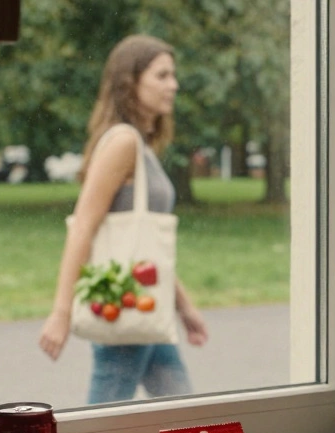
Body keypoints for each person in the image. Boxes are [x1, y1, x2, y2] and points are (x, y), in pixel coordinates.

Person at [39, 34, 208, 403]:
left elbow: (145, 247)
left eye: (173, 75)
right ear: (130, 81)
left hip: (143, 306)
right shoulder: (123, 143)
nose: (173, 85)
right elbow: (83, 224)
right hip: (126, 309)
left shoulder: (141, 146)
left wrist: (183, 305)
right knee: (105, 423)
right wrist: (61, 312)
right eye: (162, 76)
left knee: (182, 410)